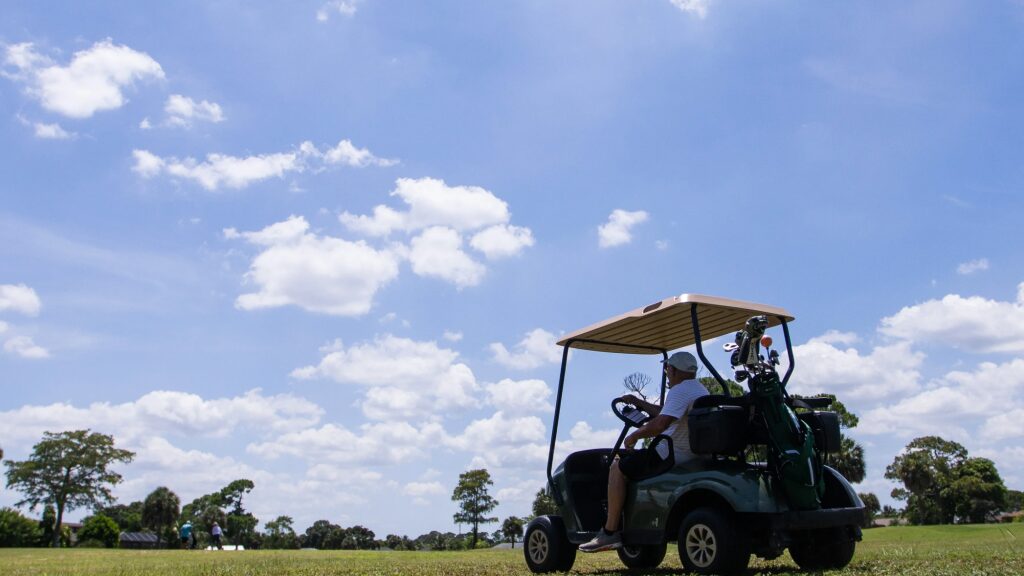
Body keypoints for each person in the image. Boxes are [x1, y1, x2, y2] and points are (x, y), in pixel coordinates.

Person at [579, 351, 709, 553]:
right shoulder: (698, 389)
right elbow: (665, 413)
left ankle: (610, 530)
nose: (667, 373)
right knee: (632, 461)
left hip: (670, 455)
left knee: (617, 466)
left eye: (668, 369)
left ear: (673, 370)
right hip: (692, 454)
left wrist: (633, 437)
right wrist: (638, 403)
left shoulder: (680, 390)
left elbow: (660, 424)